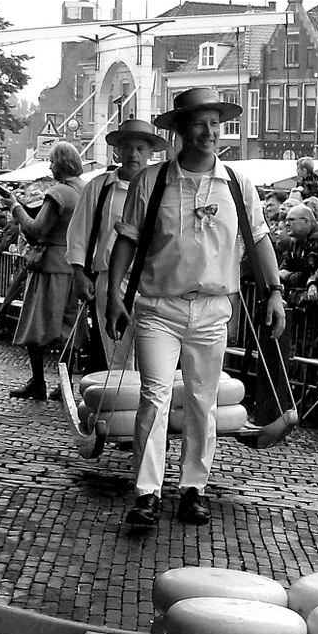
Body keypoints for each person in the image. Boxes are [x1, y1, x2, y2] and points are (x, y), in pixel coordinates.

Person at [104, 88, 286, 528]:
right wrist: (113, 293)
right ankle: (147, 492)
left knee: (203, 400)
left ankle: (193, 488)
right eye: (200, 124)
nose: (209, 132)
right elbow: (127, 239)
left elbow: (259, 238)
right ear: (182, 130)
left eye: (215, 124)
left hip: (212, 308)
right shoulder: (153, 181)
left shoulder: (237, 184)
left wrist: (276, 291)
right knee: (154, 396)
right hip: (157, 307)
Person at [0, 141, 90, 400]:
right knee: (69, 329)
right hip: (77, 267)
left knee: (36, 325)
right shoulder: (85, 189)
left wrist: (15, 208)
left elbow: (36, 229)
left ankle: (38, 381)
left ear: (61, 164)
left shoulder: (58, 193)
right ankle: (65, 386)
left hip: (50, 265)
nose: (50, 167)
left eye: (52, 162)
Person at [66, 120, 168, 371]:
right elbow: (80, 230)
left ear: (150, 152)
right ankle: (119, 405)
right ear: (118, 151)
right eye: (128, 148)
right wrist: (79, 273)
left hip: (152, 281)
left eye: (141, 148)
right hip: (110, 280)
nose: (134, 154)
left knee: (151, 356)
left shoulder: (163, 187)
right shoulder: (100, 187)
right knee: (117, 353)